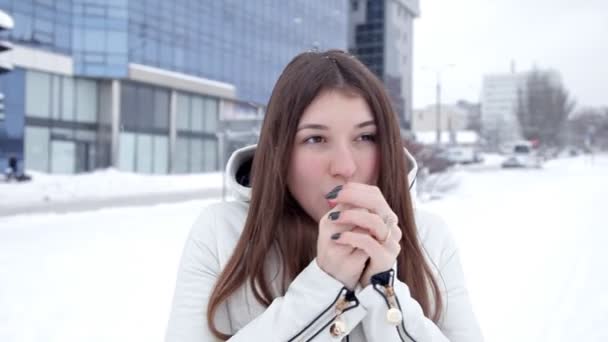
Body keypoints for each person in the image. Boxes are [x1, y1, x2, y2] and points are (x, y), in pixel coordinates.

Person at [165, 50, 483, 341]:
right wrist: (324, 287)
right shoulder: (223, 234)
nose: (344, 167)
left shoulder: (428, 236)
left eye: (365, 137)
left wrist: (384, 289)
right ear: (280, 151)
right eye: (316, 139)